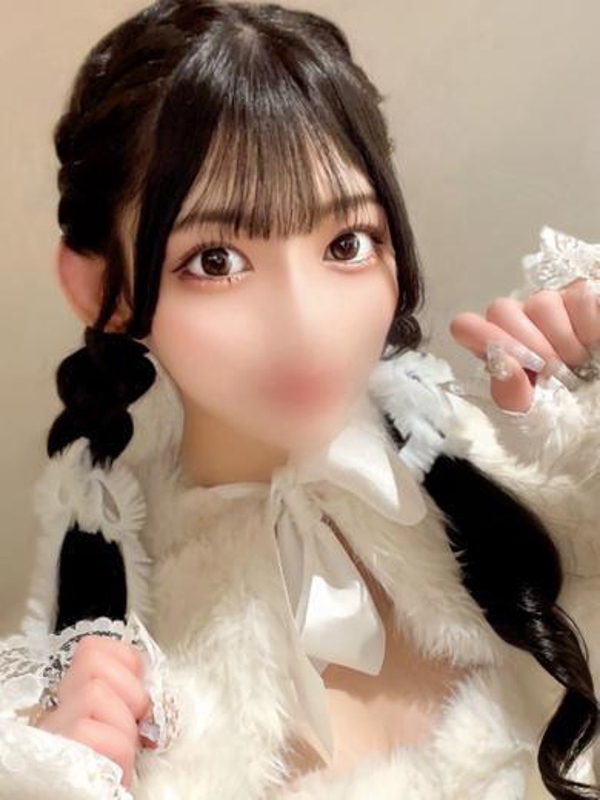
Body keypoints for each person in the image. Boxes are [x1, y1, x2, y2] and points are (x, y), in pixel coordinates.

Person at [0, 1, 598, 797]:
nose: (305, 325)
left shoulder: (507, 473)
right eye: (216, 260)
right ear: (101, 287)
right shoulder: (105, 639)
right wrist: (59, 774)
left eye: (346, 243)